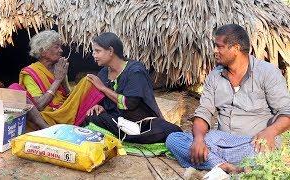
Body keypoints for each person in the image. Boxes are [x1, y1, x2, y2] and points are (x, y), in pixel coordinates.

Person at [166, 24, 290, 173]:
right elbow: (204, 112)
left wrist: (271, 132)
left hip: (252, 144)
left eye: (219, 47)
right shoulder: (215, 76)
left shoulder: (267, 73)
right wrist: (199, 139)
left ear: (236, 48)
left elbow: (286, 112)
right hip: (220, 142)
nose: (215, 51)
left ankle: (214, 163)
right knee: (173, 139)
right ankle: (228, 167)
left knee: (258, 152)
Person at [85, 32, 182, 144]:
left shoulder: (135, 71)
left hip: (138, 123)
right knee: (91, 116)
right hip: (115, 121)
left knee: (171, 131)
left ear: (111, 51)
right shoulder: (103, 73)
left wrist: (103, 88)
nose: (94, 55)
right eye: (94, 51)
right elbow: (104, 101)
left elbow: (129, 104)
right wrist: (99, 106)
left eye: (97, 51)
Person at [11, 30, 103, 130]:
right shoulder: (30, 72)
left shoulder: (59, 68)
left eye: (60, 47)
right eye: (56, 47)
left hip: (64, 112)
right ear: (43, 51)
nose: (61, 50)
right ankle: (46, 128)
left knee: (89, 80)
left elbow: (68, 96)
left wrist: (63, 78)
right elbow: (39, 105)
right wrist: (57, 80)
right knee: (14, 88)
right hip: (46, 116)